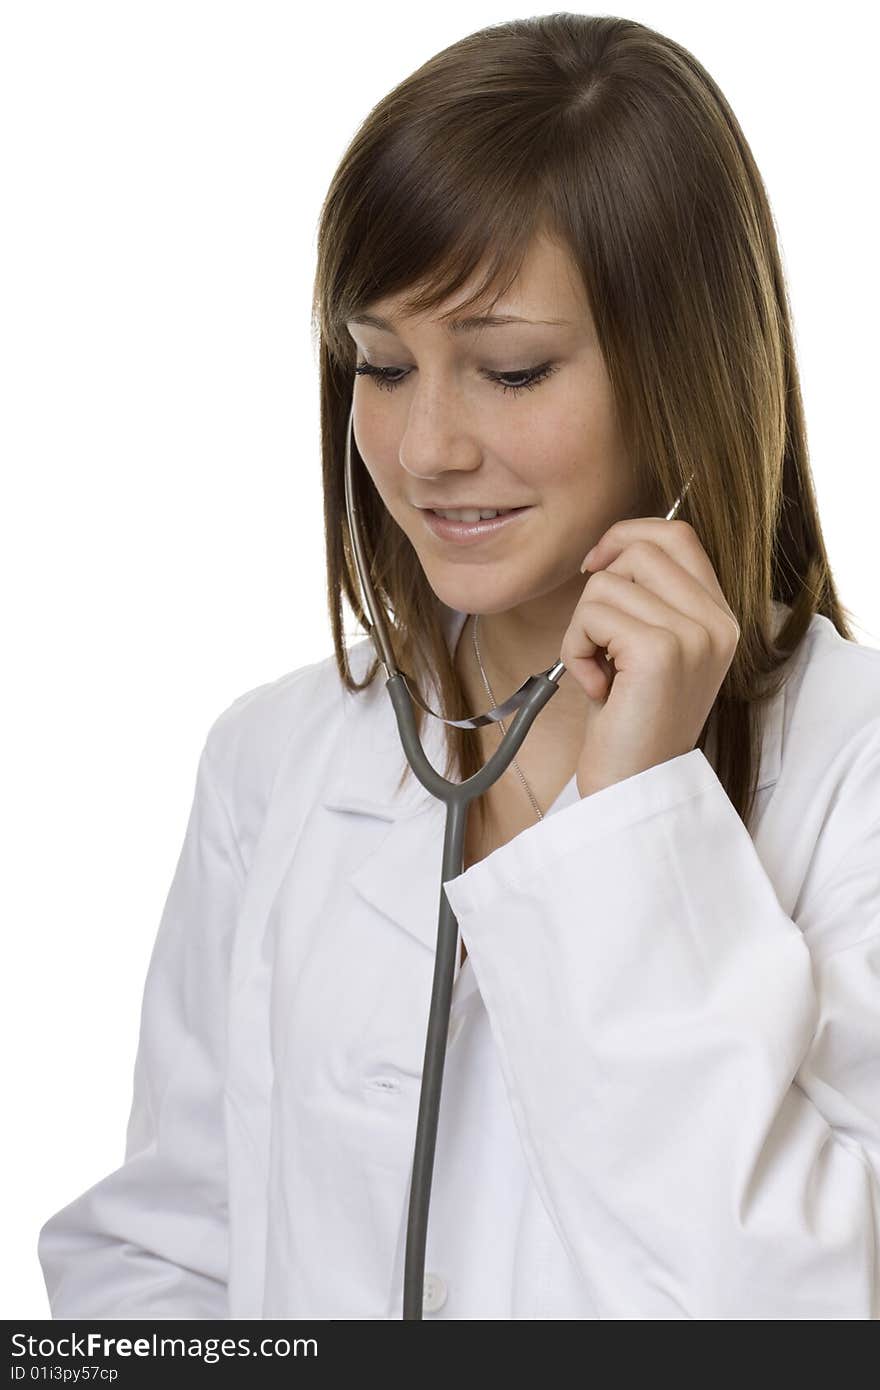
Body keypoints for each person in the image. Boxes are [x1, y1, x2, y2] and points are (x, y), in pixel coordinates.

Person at [38, 13, 880, 1319]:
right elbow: (168, 1259)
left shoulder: (854, 770)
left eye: (509, 368)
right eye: (380, 363)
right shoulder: (271, 761)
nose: (424, 446)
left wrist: (638, 817)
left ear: (680, 364)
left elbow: (806, 1312)